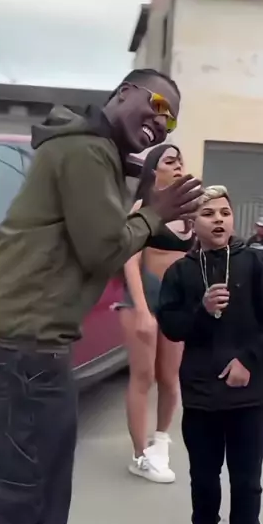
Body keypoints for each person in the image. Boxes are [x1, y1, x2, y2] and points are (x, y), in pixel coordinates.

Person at [0, 68, 204, 524]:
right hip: (26, 356)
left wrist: (156, 212)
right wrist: (154, 212)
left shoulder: (94, 152)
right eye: (158, 105)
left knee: (31, 502)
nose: (162, 123)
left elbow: (104, 234)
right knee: (29, 510)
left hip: (26, 353)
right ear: (124, 92)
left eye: (171, 121)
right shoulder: (86, 150)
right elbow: (104, 248)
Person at [156, 185, 263, 524]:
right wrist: (202, 310)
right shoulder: (180, 272)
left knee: (246, 478)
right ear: (192, 222)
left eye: (224, 213)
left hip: (250, 393)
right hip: (201, 392)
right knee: (203, 474)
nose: (218, 219)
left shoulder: (256, 263)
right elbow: (172, 327)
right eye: (208, 213)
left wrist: (248, 360)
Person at [114, 143, 195, 483]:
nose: (178, 166)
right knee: (143, 377)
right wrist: (143, 311)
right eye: (169, 161)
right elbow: (129, 259)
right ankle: (139, 456)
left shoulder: (189, 210)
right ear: (153, 170)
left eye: (180, 161)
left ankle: (160, 441)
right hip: (142, 300)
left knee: (170, 378)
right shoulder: (143, 208)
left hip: (176, 305)